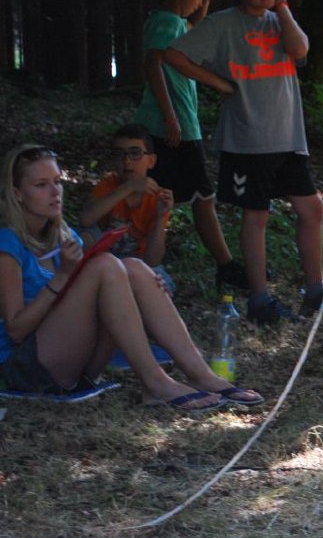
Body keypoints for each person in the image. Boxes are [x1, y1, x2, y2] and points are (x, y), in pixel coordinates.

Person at [0, 145, 263, 409]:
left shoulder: (65, 238)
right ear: (17, 194)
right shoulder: (7, 245)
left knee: (135, 268)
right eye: (41, 185)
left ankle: (201, 374)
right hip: (27, 368)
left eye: (57, 181)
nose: (55, 191)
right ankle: (155, 382)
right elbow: (16, 330)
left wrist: (143, 286)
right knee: (104, 264)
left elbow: (82, 301)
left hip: (74, 360)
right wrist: (61, 277)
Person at [164, 0, 323, 326]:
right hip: (247, 137)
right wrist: (217, 82)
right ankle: (260, 299)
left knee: (312, 208)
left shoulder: (280, 21)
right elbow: (174, 55)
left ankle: (315, 291)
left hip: (288, 136)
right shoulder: (222, 24)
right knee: (256, 214)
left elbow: (301, 50)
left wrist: (283, 5)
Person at [132, 0, 248, 293]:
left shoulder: (172, 22)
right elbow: (152, 65)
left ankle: (148, 261)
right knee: (201, 197)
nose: (201, 2)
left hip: (177, 124)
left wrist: (205, 2)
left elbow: (193, 34)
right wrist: (170, 115)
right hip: (172, 126)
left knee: (178, 195)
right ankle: (226, 267)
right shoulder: (167, 21)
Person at [80, 124, 176, 295]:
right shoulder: (109, 187)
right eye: (119, 154)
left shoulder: (158, 198)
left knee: (161, 284)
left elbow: (153, 260)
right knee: (84, 236)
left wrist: (161, 217)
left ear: (151, 161)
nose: (127, 161)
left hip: (139, 264)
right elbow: (85, 219)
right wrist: (128, 188)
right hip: (105, 260)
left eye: (135, 153)